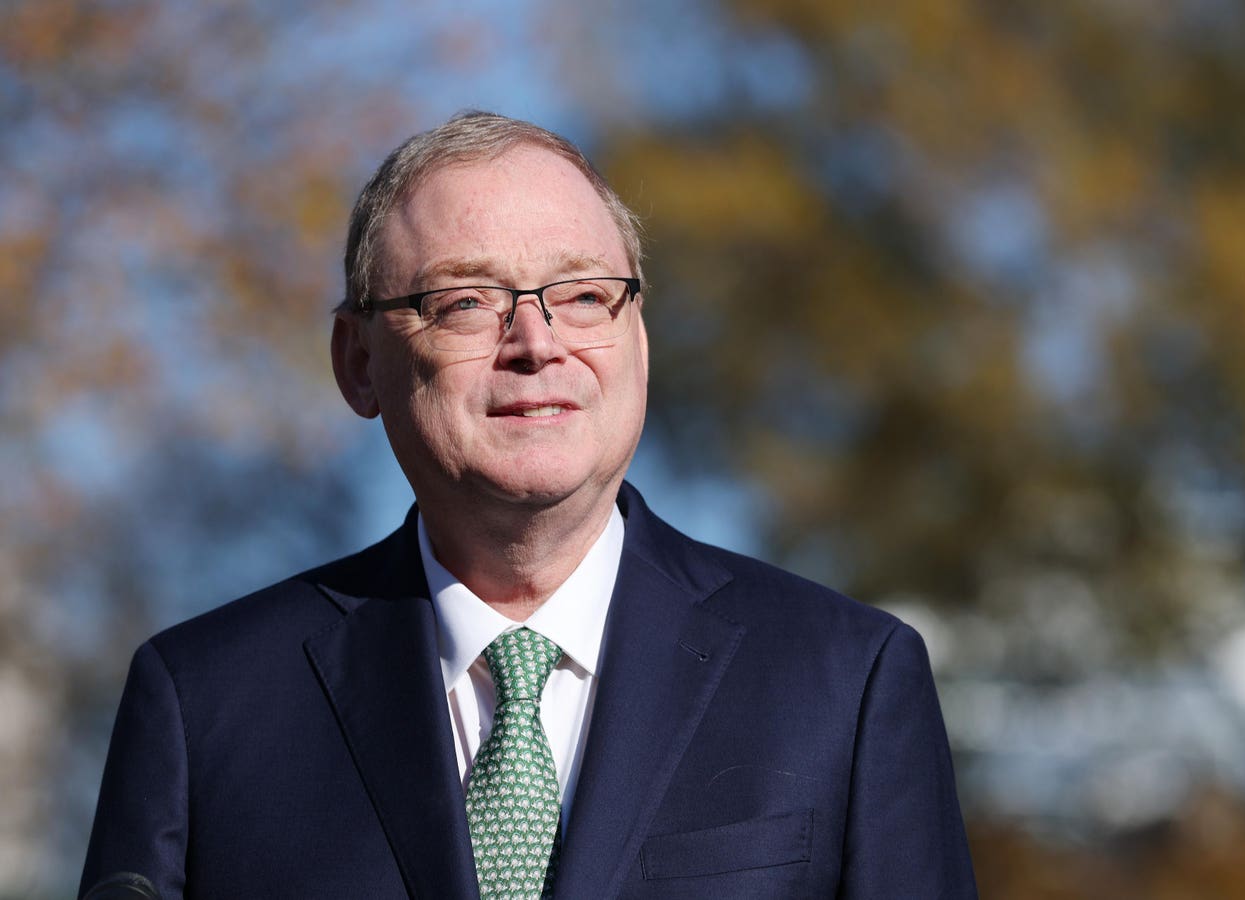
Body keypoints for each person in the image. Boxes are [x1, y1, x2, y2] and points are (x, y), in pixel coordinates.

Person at [80, 111, 978, 899]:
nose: (537, 344)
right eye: (466, 302)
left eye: (583, 295)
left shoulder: (846, 683)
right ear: (357, 362)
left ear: (639, 340)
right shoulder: (204, 704)